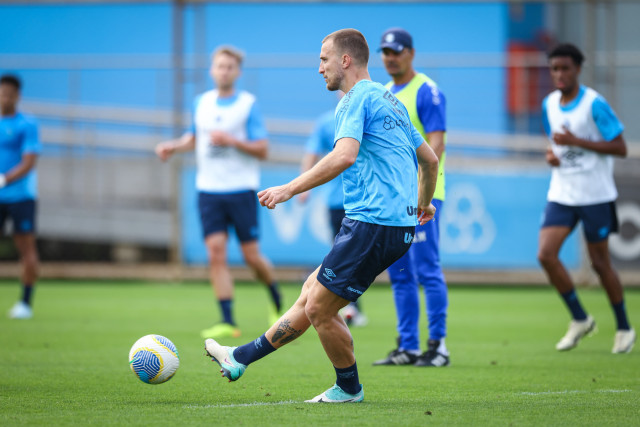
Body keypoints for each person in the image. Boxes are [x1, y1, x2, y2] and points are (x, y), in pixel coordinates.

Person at [204, 28, 439, 403]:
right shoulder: (389, 100)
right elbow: (430, 159)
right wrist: (423, 204)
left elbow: (345, 155)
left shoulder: (353, 100)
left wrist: (289, 188)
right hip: (390, 224)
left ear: (345, 60)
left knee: (319, 309)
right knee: (312, 292)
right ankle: (239, 357)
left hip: (373, 223)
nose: (319, 69)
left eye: (323, 59)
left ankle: (348, 388)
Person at [155, 45, 282, 339]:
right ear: (212, 70)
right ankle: (227, 320)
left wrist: (232, 141)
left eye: (229, 67)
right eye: (219, 66)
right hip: (209, 190)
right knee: (215, 254)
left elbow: (263, 148)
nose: (224, 71)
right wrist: (174, 146)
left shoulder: (248, 104)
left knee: (251, 257)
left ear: (237, 72)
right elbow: (195, 137)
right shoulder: (201, 102)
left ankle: (275, 298)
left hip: (240, 189)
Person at [537, 43, 635, 354]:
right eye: (555, 69)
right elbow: (556, 144)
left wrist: (576, 141)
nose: (560, 74)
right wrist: (553, 155)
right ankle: (580, 318)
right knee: (546, 255)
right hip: (563, 193)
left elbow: (620, 147)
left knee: (600, 264)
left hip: (595, 195)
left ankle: (623, 326)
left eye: (565, 68)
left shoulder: (594, 104)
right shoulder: (549, 104)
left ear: (578, 69)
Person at [372, 28, 450, 367]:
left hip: (426, 198)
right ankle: (408, 346)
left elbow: (437, 145)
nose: (390, 57)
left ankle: (438, 346)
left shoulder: (426, 91)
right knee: (400, 271)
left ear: (411, 54)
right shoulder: (386, 92)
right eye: (386, 52)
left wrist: (423, 193)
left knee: (426, 268)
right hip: (396, 199)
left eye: (396, 51)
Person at [299, 99, 368, 327]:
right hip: (337, 201)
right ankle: (347, 306)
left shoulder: (367, 117)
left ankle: (349, 305)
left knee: (356, 255)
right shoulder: (327, 122)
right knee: (340, 252)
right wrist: (302, 186)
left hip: (364, 199)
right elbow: (311, 152)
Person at [0, 74, 41, 320]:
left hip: (20, 197)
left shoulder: (27, 124)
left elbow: (29, 162)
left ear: (17, 96)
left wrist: (4, 179)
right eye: (2, 93)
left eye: (9, 94)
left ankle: (25, 303)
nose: (5, 98)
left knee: (26, 249)